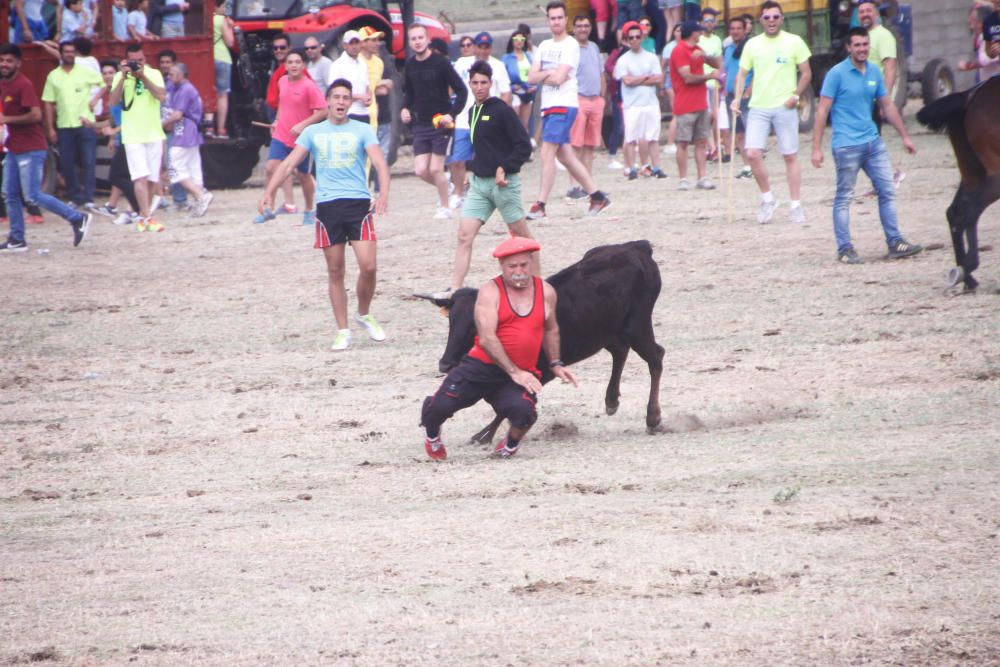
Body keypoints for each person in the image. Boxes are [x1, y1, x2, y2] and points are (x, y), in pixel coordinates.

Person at [420, 235, 578, 461]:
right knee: (438, 408)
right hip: (481, 367)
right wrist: (515, 372)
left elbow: (551, 329)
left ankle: (509, 446)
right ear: (502, 266)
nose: (519, 271)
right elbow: (487, 338)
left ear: (532, 263)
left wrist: (555, 363)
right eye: (512, 266)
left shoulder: (546, 292)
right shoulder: (490, 292)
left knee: (525, 413)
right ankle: (432, 437)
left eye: (524, 264)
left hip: (518, 374)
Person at [260, 78, 390, 351]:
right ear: (328, 102)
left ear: (349, 102)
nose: (341, 102)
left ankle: (363, 313)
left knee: (369, 266)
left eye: (346, 97)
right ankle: (343, 330)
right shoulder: (313, 133)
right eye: (337, 97)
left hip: (358, 204)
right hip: (328, 207)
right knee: (335, 270)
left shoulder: (363, 129)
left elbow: (380, 163)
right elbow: (287, 165)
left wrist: (384, 195)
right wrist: (269, 192)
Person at [811, 27, 922, 265]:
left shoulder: (874, 71)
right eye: (857, 45)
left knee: (887, 191)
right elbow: (822, 110)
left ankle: (895, 242)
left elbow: (887, 105)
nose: (862, 49)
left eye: (865, 44)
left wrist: (905, 135)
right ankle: (845, 249)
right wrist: (816, 148)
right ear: (848, 48)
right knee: (844, 197)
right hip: (846, 146)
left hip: (873, 142)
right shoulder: (836, 74)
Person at [441, 61, 533, 298]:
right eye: (475, 83)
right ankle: (455, 289)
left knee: (522, 239)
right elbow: (483, 147)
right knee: (464, 235)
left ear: (491, 84)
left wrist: (506, 167)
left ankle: (538, 285)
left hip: (504, 184)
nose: (479, 87)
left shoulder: (501, 109)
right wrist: (475, 172)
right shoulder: (472, 111)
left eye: (484, 82)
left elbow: (523, 145)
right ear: (469, 84)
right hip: (480, 185)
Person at [0, 44, 92, 252]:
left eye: (9, 61)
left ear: (18, 63)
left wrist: (7, 119)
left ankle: (77, 218)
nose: (4, 64)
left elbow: (36, 115)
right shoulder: (4, 84)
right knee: (10, 194)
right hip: (14, 147)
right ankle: (17, 239)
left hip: (31, 147)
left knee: (33, 195)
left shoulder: (23, 85)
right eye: (2, 60)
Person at [526, 1, 611, 220]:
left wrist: (544, 74)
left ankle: (541, 204)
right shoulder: (544, 45)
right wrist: (547, 74)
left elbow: (559, 77)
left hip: (563, 104)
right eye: (552, 18)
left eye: (559, 17)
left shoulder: (571, 45)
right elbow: (531, 77)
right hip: (548, 105)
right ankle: (597, 196)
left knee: (547, 153)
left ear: (566, 20)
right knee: (566, 156)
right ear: (548, 20)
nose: (556, 21)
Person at [732, 0, 811, 224]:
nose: (771, 21)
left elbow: (806, 73)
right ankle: (767, 198)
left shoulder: (794, 42)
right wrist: (737, 98)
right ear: (760, 21)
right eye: (767, 17)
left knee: (790, 155)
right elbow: (741, 74)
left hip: (784, 106)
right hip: (758, 106)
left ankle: (795, 204)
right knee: (752, 153)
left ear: (782, 19)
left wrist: (795, 95)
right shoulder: (752, 45)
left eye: (775, 17)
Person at [400, 23, 468, 220]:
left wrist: (451, 114)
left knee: (435, 168)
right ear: (410, 42)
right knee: (421, 170)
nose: (417, 42)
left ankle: (445, 208)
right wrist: (404, 108)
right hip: (421, 124)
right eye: (413, 38)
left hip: (441, 123)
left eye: (421, 37)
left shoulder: (441, 63)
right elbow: (409, 93)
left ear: (428, 39)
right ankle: (448, 183)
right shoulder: (411, 65)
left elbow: (462, 91)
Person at [259, 48, 326, 226]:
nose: (294, 65)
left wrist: (303, 125)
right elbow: (282, 104)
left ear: (304, 65)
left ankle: (310, 209)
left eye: (297, 62)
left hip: (302, 139)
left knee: (303, 175)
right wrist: (277, 120)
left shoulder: (309, 86)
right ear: (285, 66)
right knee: (271, 167)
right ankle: (268, 208)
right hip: (281, 134)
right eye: (290, 62)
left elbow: (323, 111)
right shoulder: (282, 81)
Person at [450, 31, 512, 210]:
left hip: (487, 120)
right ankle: (458, 192)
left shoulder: (498, 66)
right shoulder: (462, 63)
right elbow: (451, 86)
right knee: (457, 159)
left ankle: (484, 191)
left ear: (491, 48)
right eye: (480, 47)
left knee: (487, 157)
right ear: (475, 47)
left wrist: (502, 115)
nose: (483, 51)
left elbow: (506, 92)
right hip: (463, 118)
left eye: (487, 47)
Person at [109, 42, 167, 231]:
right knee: (139, 177)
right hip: (133, 133)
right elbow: (113, 101)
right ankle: (148, 216)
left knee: (152, 178)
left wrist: (143, 76)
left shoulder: (154, 73)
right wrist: (124, 77)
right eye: (133, 61)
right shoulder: (121, 76)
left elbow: (161, 96)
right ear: (126, 61)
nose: (137, 64)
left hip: (153, 132)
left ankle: (143, 216)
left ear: (145, 59)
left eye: (140, 60)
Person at [42, 40, 103, 210]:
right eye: (66, 51)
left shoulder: (85, 72)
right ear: (61, 54)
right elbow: (47, 102)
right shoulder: (54, 76)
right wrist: (50, 128)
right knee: (67, 162)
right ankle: (76, 197)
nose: (69, 54)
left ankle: (89, 197)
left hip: (85, 123)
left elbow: (106, 83)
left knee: (88, 161)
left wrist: (96, 99)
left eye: (72, 51)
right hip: (64, 124)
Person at [670, 20, 719, 189]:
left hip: (700, 103)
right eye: (699, 31)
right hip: (685, 104)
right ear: (693, 33)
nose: (701, 33)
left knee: (701, 141)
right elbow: (687, 77)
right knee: (683, 142)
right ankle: (683, 179)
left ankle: (702, 177)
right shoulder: (679, 50)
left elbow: (718, 64)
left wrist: (705, 57)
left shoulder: (697, 49)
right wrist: (709, 76)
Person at [616, 20, 667, 181]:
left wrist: (637, 78)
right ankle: (631, 168)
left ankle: (656, 167)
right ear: (626, 40)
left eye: (638, 36)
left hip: (650, 102)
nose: (635, 40)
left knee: (653, 137)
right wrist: (646, 76)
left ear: (642, 37)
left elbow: (658, 79)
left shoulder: (651, 57)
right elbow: (627, 81)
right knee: (631, 137)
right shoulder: (623, 60)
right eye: (631, 38)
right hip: (632, 105)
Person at [264, 33, 307, 214]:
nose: (279, 51)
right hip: (280, 119)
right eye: (276, 48)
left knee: (297, 170)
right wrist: (277, 120)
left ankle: (304, 206)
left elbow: (312, 104)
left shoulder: (299, 76)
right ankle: (281, 204)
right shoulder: (280, 74)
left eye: (282, 47)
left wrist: (300, 124)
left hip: (294, 125)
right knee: (276, 166)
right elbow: (281, 100)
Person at [164, 63, 212, 216]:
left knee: (175, 167)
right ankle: (199, 201)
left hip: (184, 128)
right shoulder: (184, 88)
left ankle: (201, 196)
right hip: (191, 128)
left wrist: (161, 124)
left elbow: (178, 115)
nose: (168, 77)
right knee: (193, 167)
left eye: (172, 74)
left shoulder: (184, 90)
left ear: (180, 75)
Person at [567, 14, 606, 198]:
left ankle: (588, 186)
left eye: (586, 25)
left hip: (595, 100)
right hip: (578, 99)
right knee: (576, 145)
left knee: (590, 145)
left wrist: (602, 97)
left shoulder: (594, 47)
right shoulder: (570, 48)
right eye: (579, 25)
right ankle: (573, 185)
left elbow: (601, 73)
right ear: (573, 28)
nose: (583, 29)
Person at [722, 15, 753, 179]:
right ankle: (747, 165)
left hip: (745, 96)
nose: (735, 31)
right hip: (730, 96)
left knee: (750, 131)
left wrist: (749, 90)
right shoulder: (727, 49)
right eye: (732, 29)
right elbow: (726, 69)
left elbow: (756, 71)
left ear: (744, 30)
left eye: (738, 28)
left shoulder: (750, 48)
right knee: (739, 132)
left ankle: (754, 164)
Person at [328, 31, 371, 124]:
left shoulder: (363, 64)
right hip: (348, 112)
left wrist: (368, 97)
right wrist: (360, 97)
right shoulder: (337, 65)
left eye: (357, 43)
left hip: (364, 113)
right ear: (345, 45)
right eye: (351, 43)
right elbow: (334, 92)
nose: (354, 46)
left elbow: (367, 86)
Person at [698, 7, 724, 160]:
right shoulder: (698, 39)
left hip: (714, 81)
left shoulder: (717, 39)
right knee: (706, 114)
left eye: (711, 21)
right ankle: (712, 148)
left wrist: (722, 77)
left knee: (715, 114)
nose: (708, 24)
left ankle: (715, 144)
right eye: (706, 20)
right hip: (702, 81)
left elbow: (720, 61)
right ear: (701, 22)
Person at [503, 29, 536, 131]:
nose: (519, 41)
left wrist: (534, 86)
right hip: (514, 91)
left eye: (522, 39)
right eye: (516, 39)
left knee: (524, 124)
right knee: (514, 122)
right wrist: (512, 87)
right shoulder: (506, 58)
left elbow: (534, 73)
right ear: (512, 41)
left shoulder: (528, 56)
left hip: (528, 91)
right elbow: (503, 77)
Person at [210, 0, 234, 138]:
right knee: (222, 94)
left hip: (209, 59)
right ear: (216, 6)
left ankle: (208, 126)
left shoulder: (207, 20)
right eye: (224, 6)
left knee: (210, 91)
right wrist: (230, 27)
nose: (225, 9)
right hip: (222, 58)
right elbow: (230, 42)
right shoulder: (221, 20)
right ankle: (220, 128)